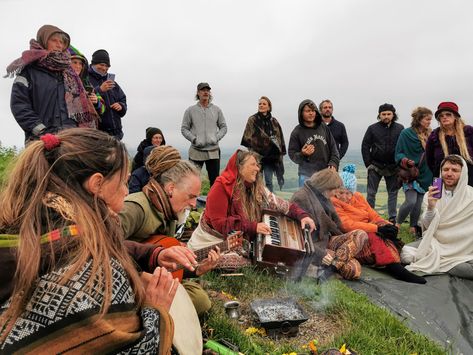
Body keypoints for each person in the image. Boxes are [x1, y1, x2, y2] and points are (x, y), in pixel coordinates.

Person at [0, 128, 202, 353]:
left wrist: (152, 254)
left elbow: (111, 244)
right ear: (97, 184)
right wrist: (156, 311)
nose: (127, 191)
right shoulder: (94, 270)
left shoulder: (40, 218)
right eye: (124, 183)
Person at [120, 145, 219, 316]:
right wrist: (139, 276)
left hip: (154, 280)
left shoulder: (168, 212)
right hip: (127, 282)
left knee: (200, 301)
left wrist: (196, 270)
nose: (194, 204)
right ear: (171, 188)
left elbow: (166, 263)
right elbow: (101, 245)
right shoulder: (135, 208)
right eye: (191, 196)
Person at [187, 150, 315, 251]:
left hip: (238, 238)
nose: (258, 169)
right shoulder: (221, 186)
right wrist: (253, 227)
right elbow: (219, 224)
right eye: (253, 165)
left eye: (258, 165)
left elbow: (280, 204)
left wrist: (302, 216)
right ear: (240, 167)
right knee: (239, 261)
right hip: (213, 238)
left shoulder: (256, 188)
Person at [332, 164, 426, 283]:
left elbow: (372, 214)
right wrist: (376, 228)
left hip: (368, 228)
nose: (344, 197)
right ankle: (394, 267)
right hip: (353, 237)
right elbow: (346, 225)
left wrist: (386, 225)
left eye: (348, 193)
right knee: (373, 236)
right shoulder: (334, 202)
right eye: (341, 192)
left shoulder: (358, 197)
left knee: (387, 232)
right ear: (335, 191)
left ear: (352, 192)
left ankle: (393, 261)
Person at [6, 25, 98, 143]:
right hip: (40, 140)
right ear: (43, 41)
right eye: (54, 40)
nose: (59, 45)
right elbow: (19, 105)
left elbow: (80, 107)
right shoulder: (29, 71)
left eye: (62, 42)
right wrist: (41, 131)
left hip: (71, 139)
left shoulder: (70, 73)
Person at [402, 155, 473, 279]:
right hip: (435, 243)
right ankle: (445, 264)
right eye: (446, 170)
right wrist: (431, 207)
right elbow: (428, 227)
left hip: (462, 247)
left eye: (455, 170)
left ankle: (437, 262)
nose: (449, 174)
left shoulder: (471, 196)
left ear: (463, 173)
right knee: (404, 253)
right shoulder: (430, 195)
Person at [291, 168, 370, 280]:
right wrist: (321, 255)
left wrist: (346, 244)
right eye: (335, 189)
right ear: (326, 186)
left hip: (327, 241)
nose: (336, 193)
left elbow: (336, 227)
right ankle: (326, 267)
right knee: (352, 270)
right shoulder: (301, 198)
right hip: (314, 246)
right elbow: (299, 235)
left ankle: (329, 269)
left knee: (360, 235)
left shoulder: (323, 196)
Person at [361, 103, 404, 223]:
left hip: (393, 166)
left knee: (393, 193)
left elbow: (403, 146)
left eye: (388, 114)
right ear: (379, 115)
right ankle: (369, 216)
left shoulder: (400, 128)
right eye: (383, 114)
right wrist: (368, 164)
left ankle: (392, 218)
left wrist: (400, 163)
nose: (386, 116)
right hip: (375, 165)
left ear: (393, 114)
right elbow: (365, 146)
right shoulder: (372, 128)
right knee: (371, 193)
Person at [395, 107, 433, 237]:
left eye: (430, 119)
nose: (429, 122)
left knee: (418, 203)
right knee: (411, 201)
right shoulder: (406, 133)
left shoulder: (430, 134)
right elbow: (398, 152)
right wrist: (405, 161)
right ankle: (397, 223)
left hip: (426, 173)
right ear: (419, 119)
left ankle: (413, 226)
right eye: (427, 119)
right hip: (410, 173)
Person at [181, 82, 228, 186]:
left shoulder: (217, 110)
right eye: (203, 90)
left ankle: (213, 202)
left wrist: (216, 138)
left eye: (207, 90)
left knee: (215, 182)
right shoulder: (190, 110)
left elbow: (224, 127)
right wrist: (194, 139)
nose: (206, 92)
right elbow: (184, 129)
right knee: (192, 181)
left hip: (213, 151)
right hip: (196, 151)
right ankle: (191, 202)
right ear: (198, 93)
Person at [288, 99, 340, 187]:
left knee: (326, 200)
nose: (311, 113)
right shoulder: (297, 132)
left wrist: (333, 163)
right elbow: (292, 155)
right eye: (308, 111)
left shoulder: (323, 127)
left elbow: (333, 147)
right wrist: (303, 154)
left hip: (325, 174)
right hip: (307, 176)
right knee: (306, 200)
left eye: (313, 111)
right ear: (301, 113)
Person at [241, 96, 286, 192]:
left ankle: (269, 203)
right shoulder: (252, 120)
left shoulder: (274, 122)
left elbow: (279, 139)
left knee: (269, 181)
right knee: (255, 180)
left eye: (264, 104)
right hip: (257, 156)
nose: (261, 105)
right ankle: (254, 201)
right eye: (260, 104)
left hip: (270, 158)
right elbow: (248, 138)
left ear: (269, 107)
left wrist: (277, 153)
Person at [425, 101, 473, 186]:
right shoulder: (434, 135)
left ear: (455, 116)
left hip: (468, 180)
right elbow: (430, 160)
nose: (444, 117)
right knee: (436, 198)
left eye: (448, 114)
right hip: (440, 179)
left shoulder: (468, 131)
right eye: (441, 116)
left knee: (467, 199)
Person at [88, 49, 127, 140]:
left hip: (116, 134)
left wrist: (121, 106)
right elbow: (83, 99)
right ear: (93, 64)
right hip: (97, 134)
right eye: (101, 64)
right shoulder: (86, 78)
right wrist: (100, 89)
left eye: (107, 66)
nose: (104, 68)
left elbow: (123, 99)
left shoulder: (112, 82)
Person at [67, 45, 105, 118]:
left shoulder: (86, 83)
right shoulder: (60, 81)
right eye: (74, 62)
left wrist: (97, 102)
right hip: (68, 126)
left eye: (80, 63)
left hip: (86, 127)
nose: (78, 66)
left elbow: (103, 109)